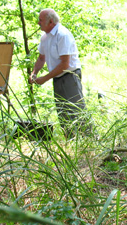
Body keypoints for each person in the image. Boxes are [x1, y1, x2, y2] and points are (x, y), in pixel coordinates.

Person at [29, 8, 86, 138]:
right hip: (57, 77)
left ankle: (88, 140)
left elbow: (65, 64)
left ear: (50, 22)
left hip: (70, 75)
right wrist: (34, 72)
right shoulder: (45, 38)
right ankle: (71, 140)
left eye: (41, 20)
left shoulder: (62, 35)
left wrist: (45, 78)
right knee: (63, 111)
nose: (38, 23)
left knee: (76, 109)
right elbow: (41, 58)